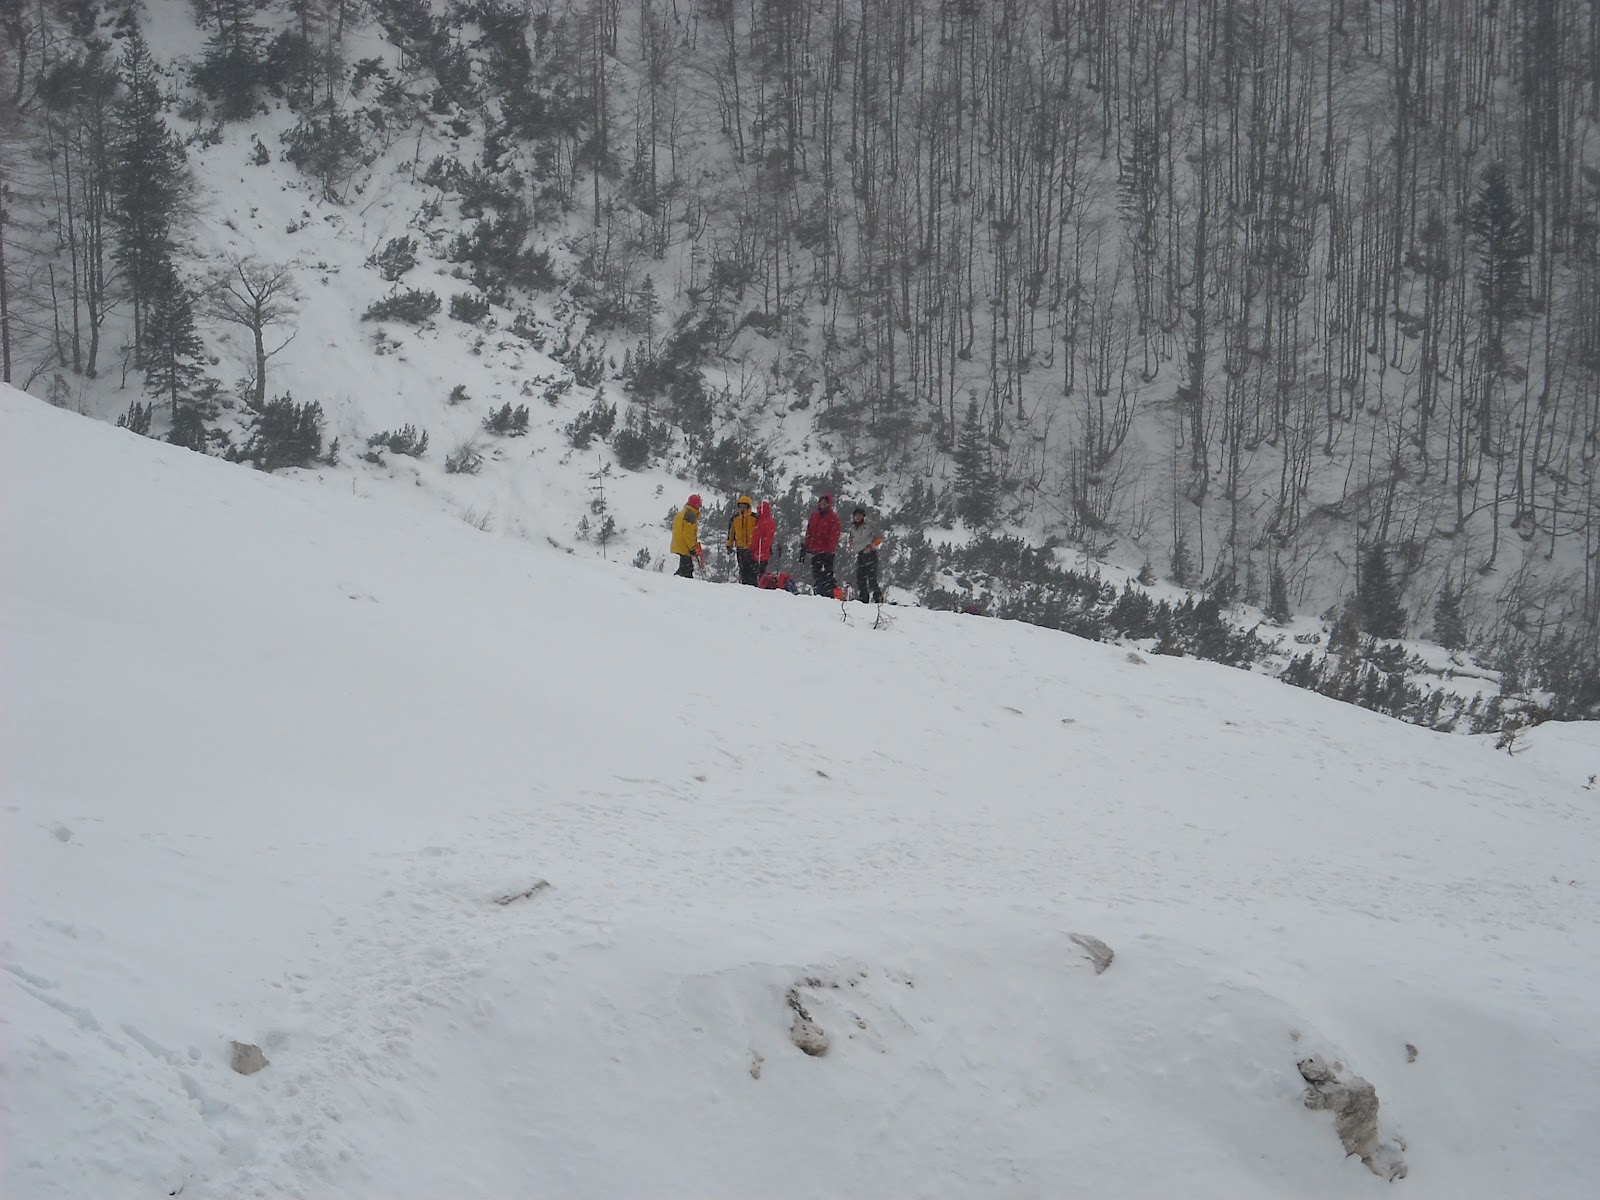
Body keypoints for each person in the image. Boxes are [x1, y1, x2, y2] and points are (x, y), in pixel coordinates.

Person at [802, 492, 841, 596]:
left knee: (827, 575)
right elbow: (809, 531)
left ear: (829, 504)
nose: (823, 504)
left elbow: (834, 535)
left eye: (825, 503)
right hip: (815, 550)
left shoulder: (833, 518)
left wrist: (830, 549)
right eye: (821, 502)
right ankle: (819, 592)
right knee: (816, 574)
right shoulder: (815, 515)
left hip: (826, 551)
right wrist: (806, 545)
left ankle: (828, 593)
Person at [845, 507, 885, 603]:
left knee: (872, 579)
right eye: (856, 515)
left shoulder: (869, 525)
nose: (858, 517)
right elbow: (851, 538)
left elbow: (880, 537)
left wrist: (870, 547)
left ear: (863, 516)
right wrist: (851, 545)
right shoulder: (852, 528)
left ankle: (878, 598)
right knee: (860, 579)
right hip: (860, 554)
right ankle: (864, 599)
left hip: (870, 554)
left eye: (860, 515)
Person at [725, 495, 759, 586]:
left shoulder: (755, 518)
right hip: (740, 549)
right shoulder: (734, 518)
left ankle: (754, 588)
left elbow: (759, 533)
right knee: (743, 571)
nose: (742, 508)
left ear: (748, 506)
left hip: (752, 549)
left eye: (744, 506)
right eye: (740, 506)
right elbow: (731, 533)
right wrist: (729, 545)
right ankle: (744, 588)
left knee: (753, 573)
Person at [670, 494, 703, 577]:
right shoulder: (690, 516)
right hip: (684, 546)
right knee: (687, 569)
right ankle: (676, 581)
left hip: (678, 544)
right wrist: (692, 548)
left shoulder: (681, 513)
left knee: (685, 567)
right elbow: (688, 534)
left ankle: (676, 580)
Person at [751, 500, 777, 580]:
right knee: (762, 573)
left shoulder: (761, 522)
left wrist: (751, 547)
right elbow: (768, 539)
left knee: (755, 575)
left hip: (758, 553)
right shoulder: (770, 522)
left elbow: (756, 537)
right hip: (765, 553)